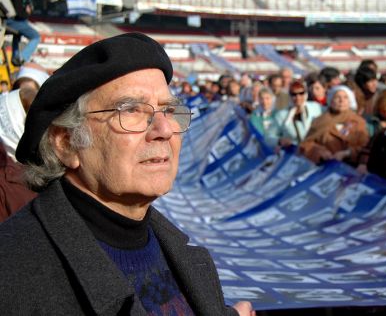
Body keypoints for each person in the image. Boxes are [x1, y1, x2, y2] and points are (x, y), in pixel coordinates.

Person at [0, 33, 254, 315]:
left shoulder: (177, 251)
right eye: (131, 109)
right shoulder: (12, 273)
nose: (165, 130)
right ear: (66, 143)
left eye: (169, 110)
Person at [299, 85, 369, 166]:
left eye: (345, 97)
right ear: (331, 100)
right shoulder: (320, 121)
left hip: (348, 168)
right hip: (324, 166)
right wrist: (319, 151)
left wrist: (347, 153)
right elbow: (306, 144)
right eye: (337, 97)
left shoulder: (358, 122)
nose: (341, 100)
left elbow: (364, 147)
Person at [4, 0, 41, 66]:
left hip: (4, 20)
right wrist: (27, 12)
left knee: (18, 33)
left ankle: (16, 56)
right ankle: (22, 57)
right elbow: (20, 15)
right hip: (11, 21)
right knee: (36, 36)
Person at [275, 81, 322, 148]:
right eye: (294, 94)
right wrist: (279, 141)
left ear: (306, 94)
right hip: (293, 153)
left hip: (314, 150)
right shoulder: (282, 115)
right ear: (290, 96)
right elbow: (269, 136)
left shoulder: (316, 108)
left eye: (301, 93)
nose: (298, 97)